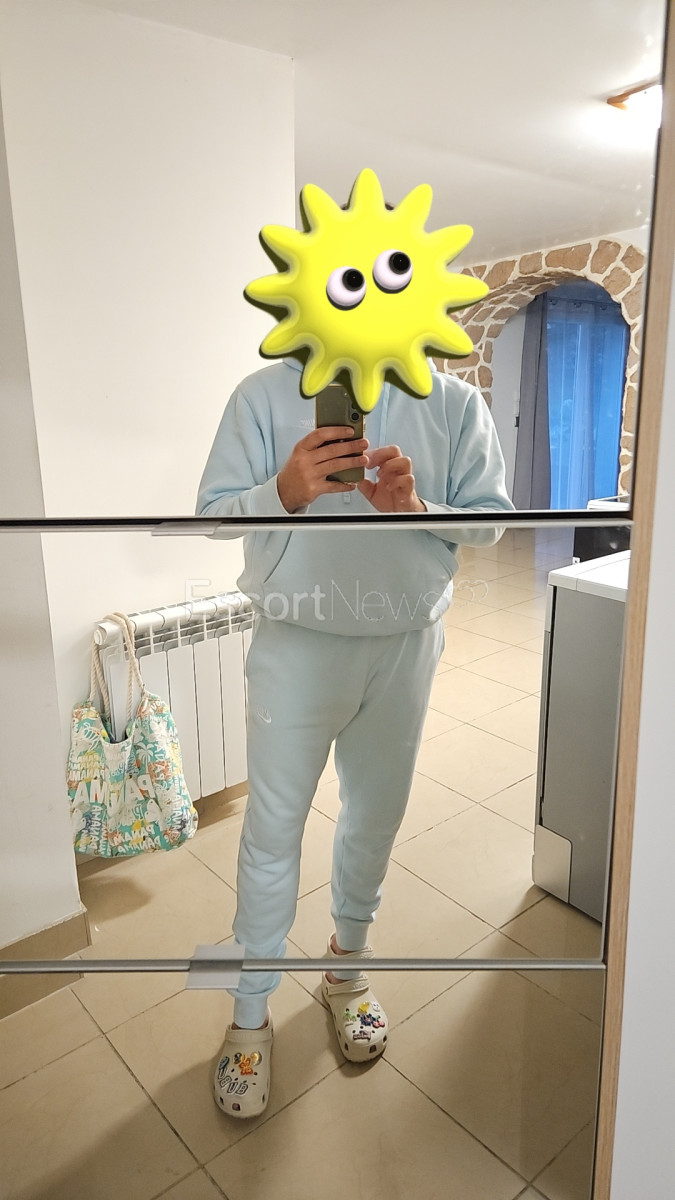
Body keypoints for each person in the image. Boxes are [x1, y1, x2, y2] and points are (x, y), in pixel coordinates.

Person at [196, 354, 514, 1118]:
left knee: (374, 817)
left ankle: (346, 967)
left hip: (405, 641)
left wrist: (417, 507)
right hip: (295, 642)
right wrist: (284, 491)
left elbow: (491, 521)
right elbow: (212, 514)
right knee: (272, 831)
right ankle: (249, 1013)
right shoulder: (262, 394)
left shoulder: (452, 401)